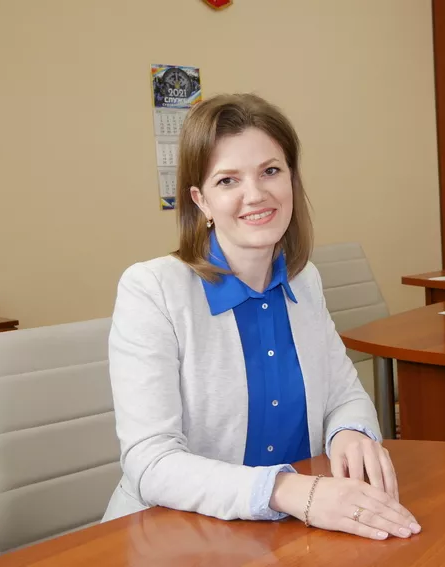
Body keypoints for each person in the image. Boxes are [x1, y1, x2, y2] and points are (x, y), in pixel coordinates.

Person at [102, 93, 420, 541]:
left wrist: (350, 431)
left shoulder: (304, 280)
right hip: (182, 535)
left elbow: (344, 393)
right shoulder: (152, 290)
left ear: (292, 179)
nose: (255, 194)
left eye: (270, 171)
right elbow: (150, 462)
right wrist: (286, 490)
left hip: (296, 533)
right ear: (201, 201)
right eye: (228, 180)